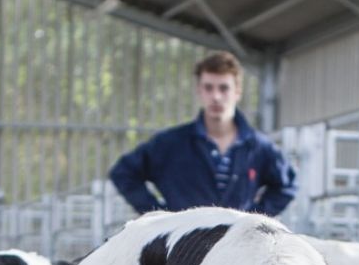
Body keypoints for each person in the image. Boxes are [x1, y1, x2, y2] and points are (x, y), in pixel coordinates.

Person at [109, 52, 296, 217]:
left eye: (224, 88)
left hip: (239, 247)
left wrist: (256, 217)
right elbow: (123, 172)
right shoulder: (170, 144)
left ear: (237, 91)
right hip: (185, 249)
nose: (216, 96)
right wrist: (159, 215)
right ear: (199, 91)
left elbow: (287, 185)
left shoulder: (258, 147)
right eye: (208, 88)